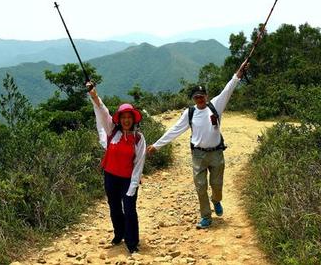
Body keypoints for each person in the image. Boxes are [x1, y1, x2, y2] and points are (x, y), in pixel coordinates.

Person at [147, 59, 248, 229]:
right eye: (196, 97)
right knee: (200, 186)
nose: (200, 99)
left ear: (206, 97)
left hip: (216, 153)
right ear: (193, 99)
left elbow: (229, 88)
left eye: (202, 96)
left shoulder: (216, 105)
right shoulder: (190, 113)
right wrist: (157, 145)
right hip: (198, 155)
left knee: (216, 185)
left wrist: (239, 72)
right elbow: (175, 130)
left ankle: (216, 200)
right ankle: (206, 216)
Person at [87, 81, 146, 253]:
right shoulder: (112, 131)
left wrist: (133, 186)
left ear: (133, 119)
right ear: (119, 119)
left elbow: (139, 164)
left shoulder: (138, 138)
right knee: (114, 208)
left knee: (129, 209)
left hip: (128, 179)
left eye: (129, 117)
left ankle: (132, 243)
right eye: (123, 117)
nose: (126, 120)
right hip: (110, 176)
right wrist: (94, 95)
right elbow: (103, 111)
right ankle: (119, 234)